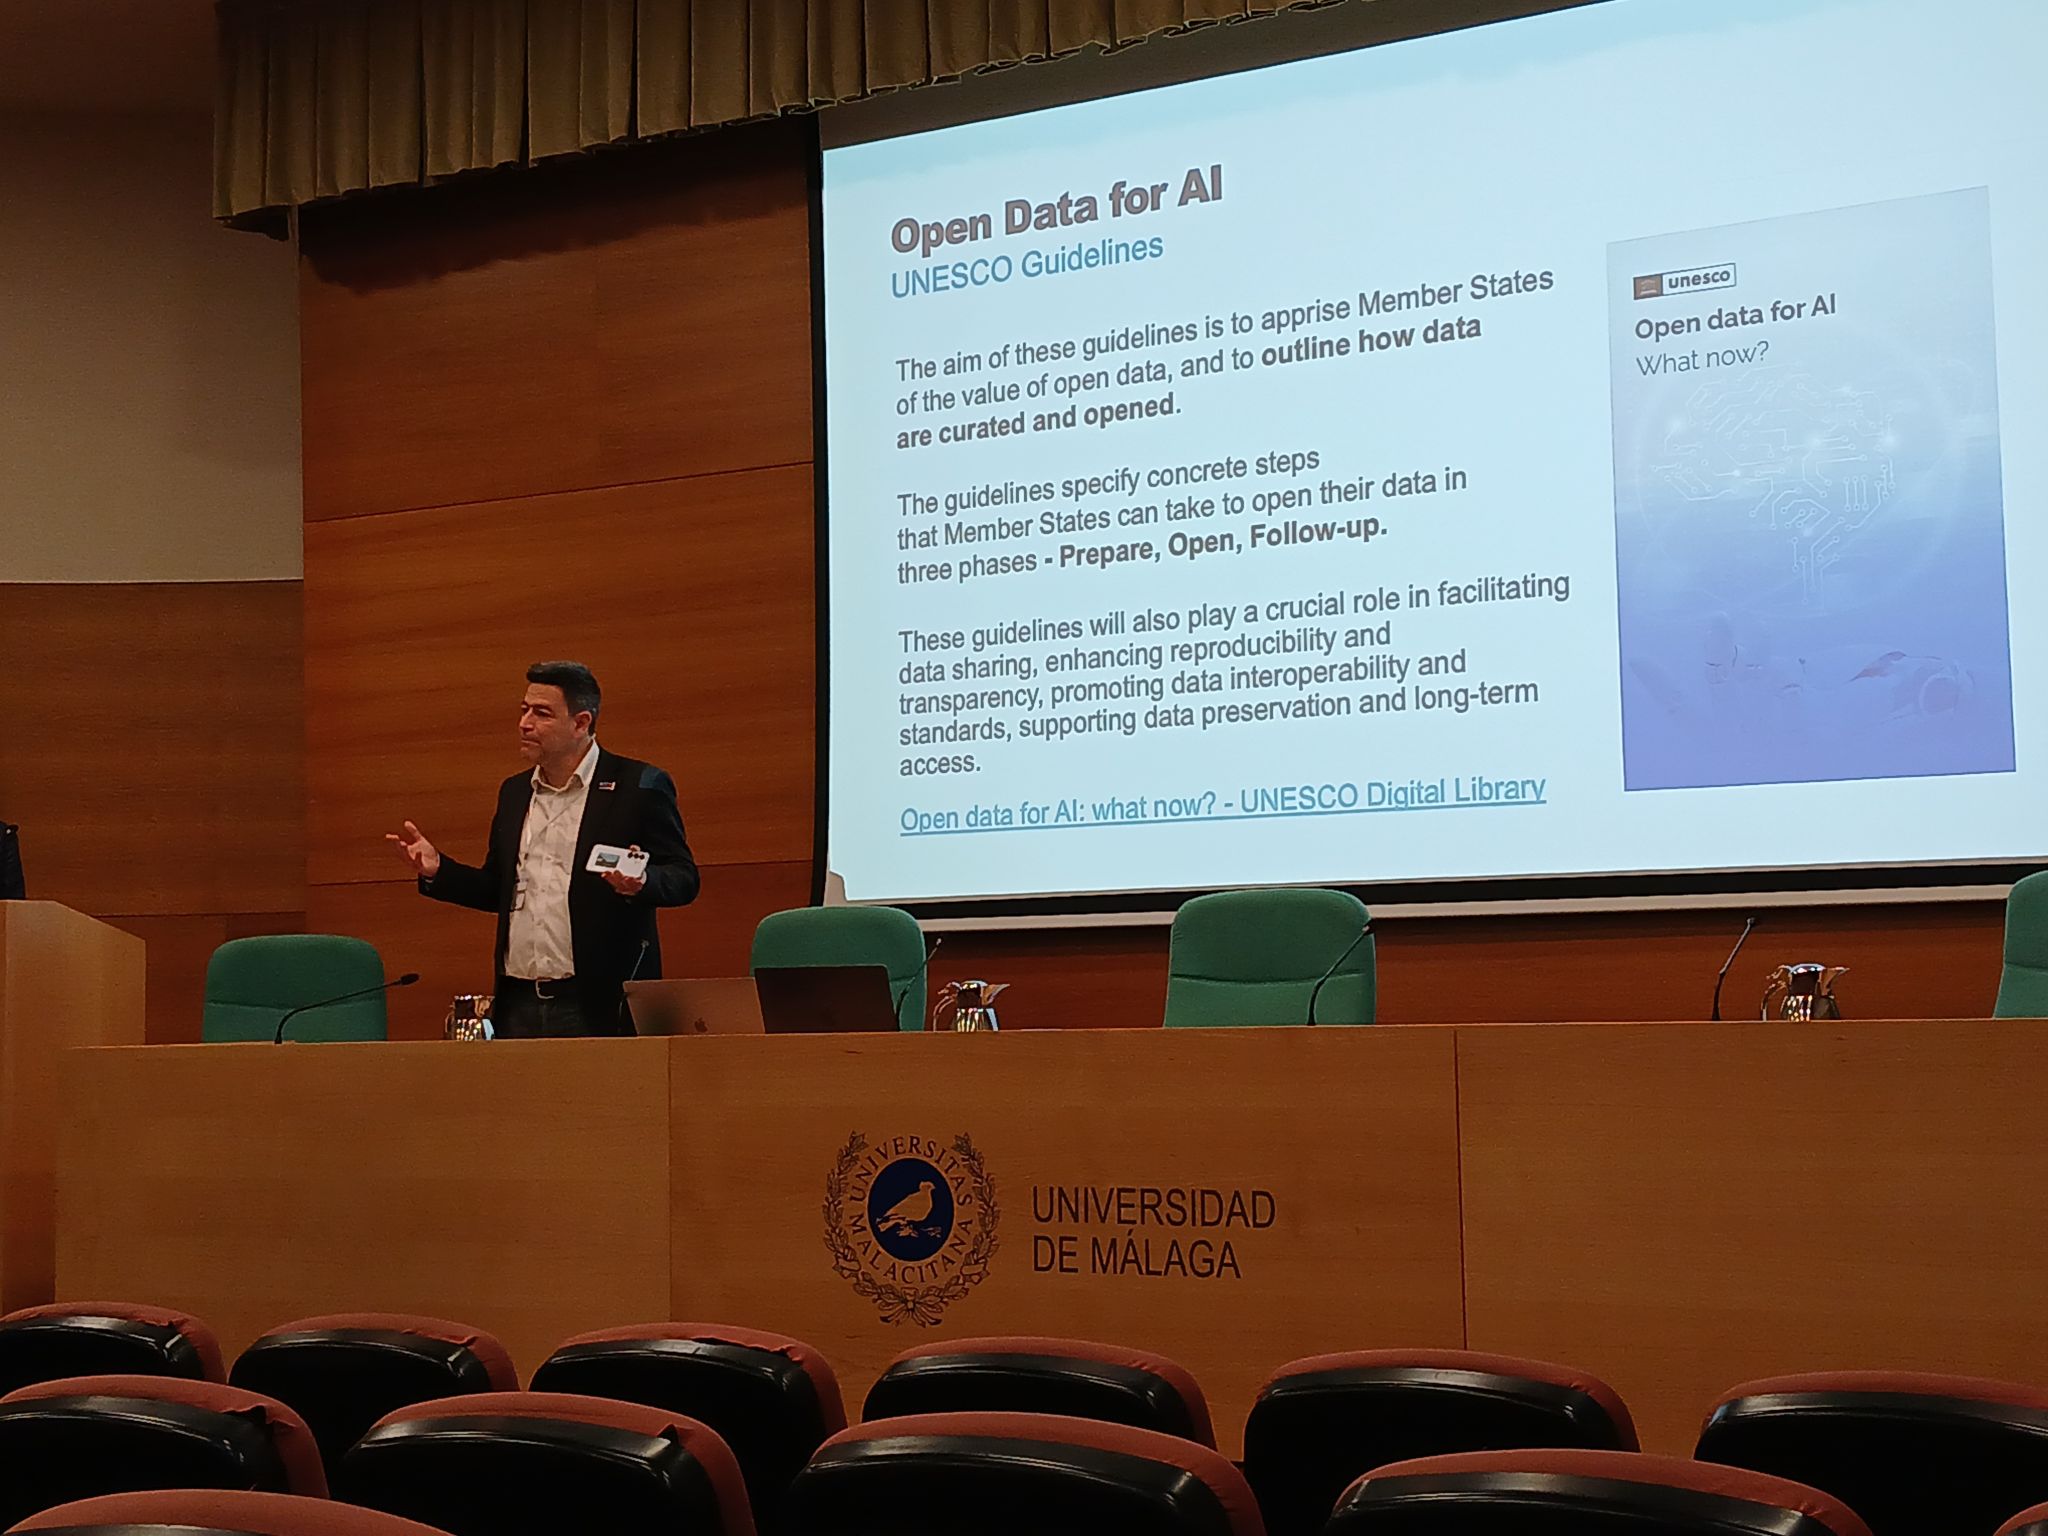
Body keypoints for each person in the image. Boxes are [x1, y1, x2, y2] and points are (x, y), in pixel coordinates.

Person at [387, 661, 699, 1037]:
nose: (524, 723)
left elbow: (684, 877)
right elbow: (498, 888)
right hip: (518, 1001)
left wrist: (642, 881)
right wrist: (439, 869)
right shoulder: (515, 792)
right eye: (524, 710)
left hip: (597, 1002)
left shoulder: (638, 786)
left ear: (581, 723)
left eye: (541, 713)